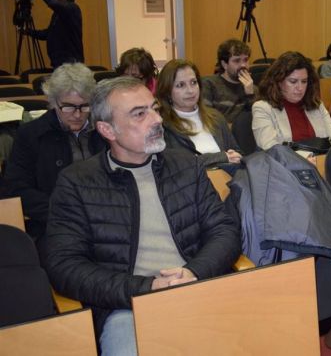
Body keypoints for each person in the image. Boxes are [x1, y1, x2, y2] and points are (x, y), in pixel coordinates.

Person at [44, 77, 241, 352]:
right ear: (107, 129)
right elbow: (64, 266)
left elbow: (224, 230)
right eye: (140, 114)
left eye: (154, 108)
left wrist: (194, 272)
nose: (157, 119)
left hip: (198, 287)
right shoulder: (77, 182)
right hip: (128, 306)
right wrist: (148, 287)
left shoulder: (186, 166)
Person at [1, 63, 104, 241]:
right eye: (69, 107)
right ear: (54, 102)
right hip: (55, 223)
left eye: (84, 106)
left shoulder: (105, 130)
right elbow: (17, 189)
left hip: (105, 218)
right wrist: (63, 212)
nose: (78, 115)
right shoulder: (31, 135)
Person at [156, 59, 242, 168]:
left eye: (193, 82)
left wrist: (235, 157)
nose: (190, 90)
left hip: (225, 179)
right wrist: (221, 157)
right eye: (181, 85)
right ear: (167, 91)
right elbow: (175, 164)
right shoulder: (162, 124)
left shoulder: (215, 117)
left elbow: (237, 152)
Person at [252, 51, 331, 151]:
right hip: (287, 165)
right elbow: (272, 149)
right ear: (278, 81)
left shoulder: (316, 105)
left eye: (304, 81)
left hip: (321, 162)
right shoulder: (262, 108)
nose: (300, 88)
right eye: (293, 81)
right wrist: (307, 157)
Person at [25, 0, 84, 68]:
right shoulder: (58, 13)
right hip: (58, 63)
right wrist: (28, 31)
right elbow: (48, 34)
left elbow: (53, 3)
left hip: (71, 65)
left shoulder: (72, 8)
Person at [202, 39, 255, 122]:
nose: (243, 65)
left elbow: (256, 121)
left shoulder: (252, 89)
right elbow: (207, 121)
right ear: (224, 64)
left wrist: (250, 96)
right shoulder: (209, 84)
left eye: (246, 60)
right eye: (237, 61)